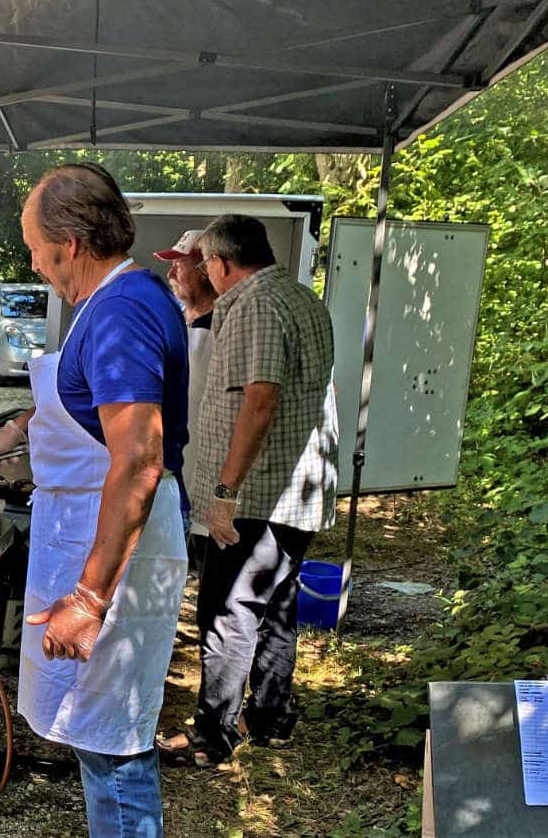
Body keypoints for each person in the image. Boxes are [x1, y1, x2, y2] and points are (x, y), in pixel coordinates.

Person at [0, 162, 188, 837]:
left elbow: (139, 457)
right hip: (93, 531)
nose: (33, 261)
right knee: (97, 736)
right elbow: (88, 415)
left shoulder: (123, 309)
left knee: (113, 742)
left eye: (35, 245)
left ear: (69, 242)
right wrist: (16, 431)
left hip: (116, 553)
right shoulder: (110, 302)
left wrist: (90, 596)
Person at [157, 214, 339, 770]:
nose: (205, 273)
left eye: (207, 263)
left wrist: (225, 491)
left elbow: (261, 399)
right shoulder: (302, 297)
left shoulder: (256, 305)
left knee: (228, 612)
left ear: (223, 262)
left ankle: (213, 735)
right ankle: (271, 715)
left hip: (260, 493)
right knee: (278, 604)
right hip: (294, 491)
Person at [155, 228, 218, 541]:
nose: (170, 273)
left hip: (209, 477)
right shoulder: (173, 319)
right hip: (172, 469)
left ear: (205, 271)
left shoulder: (226, 325)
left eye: (179, 265)